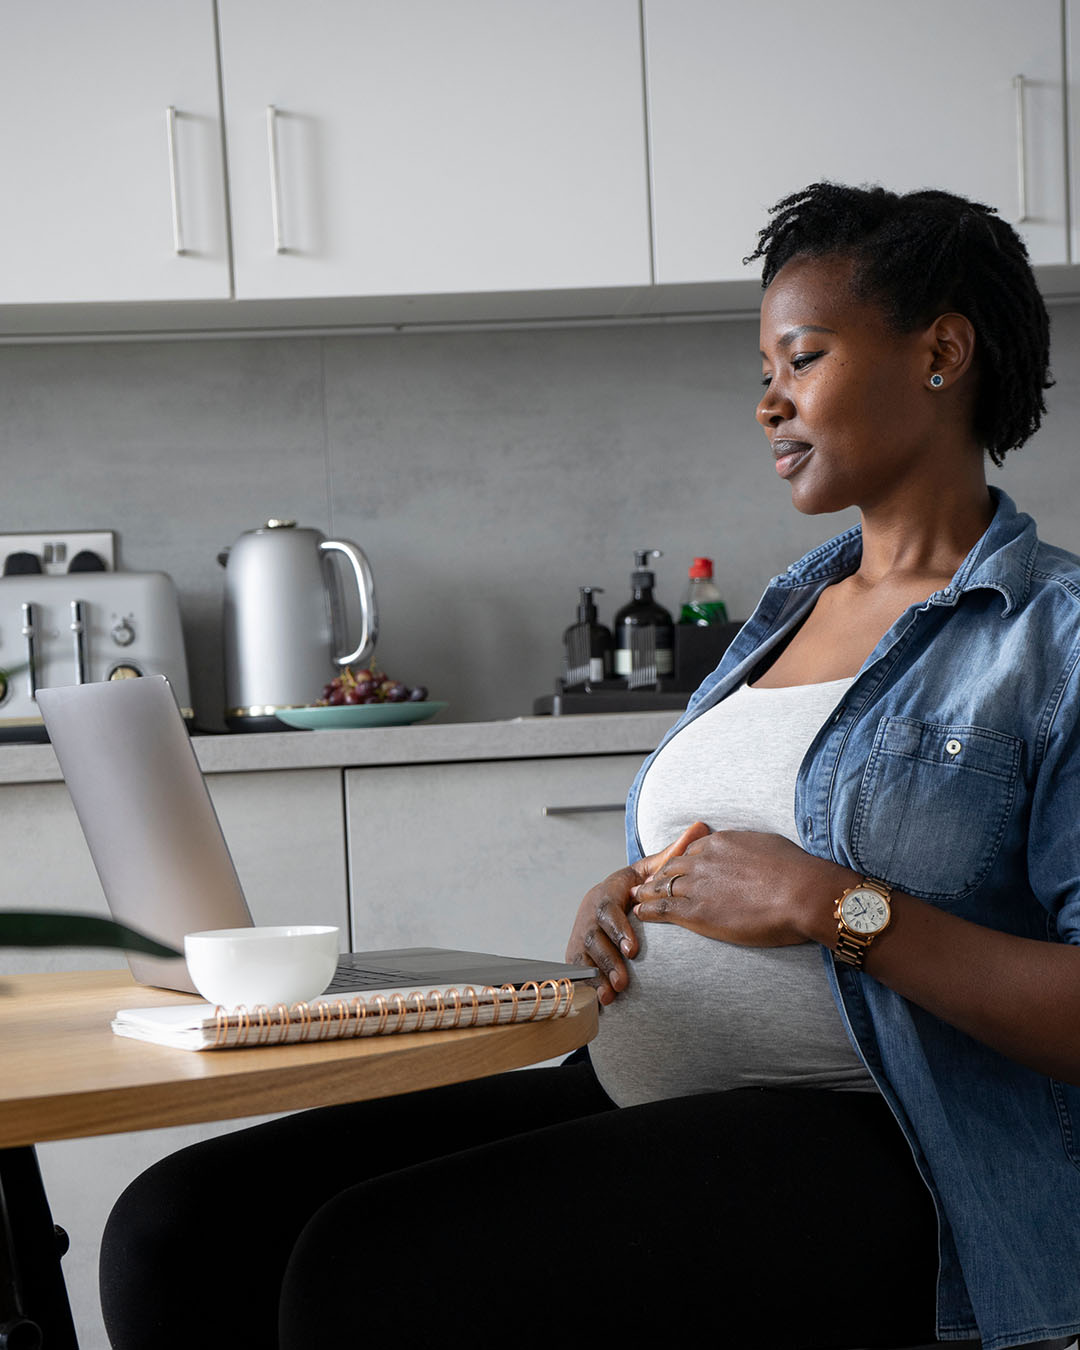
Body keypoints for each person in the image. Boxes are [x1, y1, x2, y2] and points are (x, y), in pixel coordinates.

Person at [100, 183, 1080, 1350]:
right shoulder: (787, 614)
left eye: (801, 357)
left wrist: (831, 905)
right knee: (183, 1224)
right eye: (761, 366)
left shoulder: (1053, 637)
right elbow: (730, 855)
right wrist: (631, 902)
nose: (767, 399)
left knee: (374, 1275)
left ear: (942, 352)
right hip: (643, 1086)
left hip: (894, 1138)